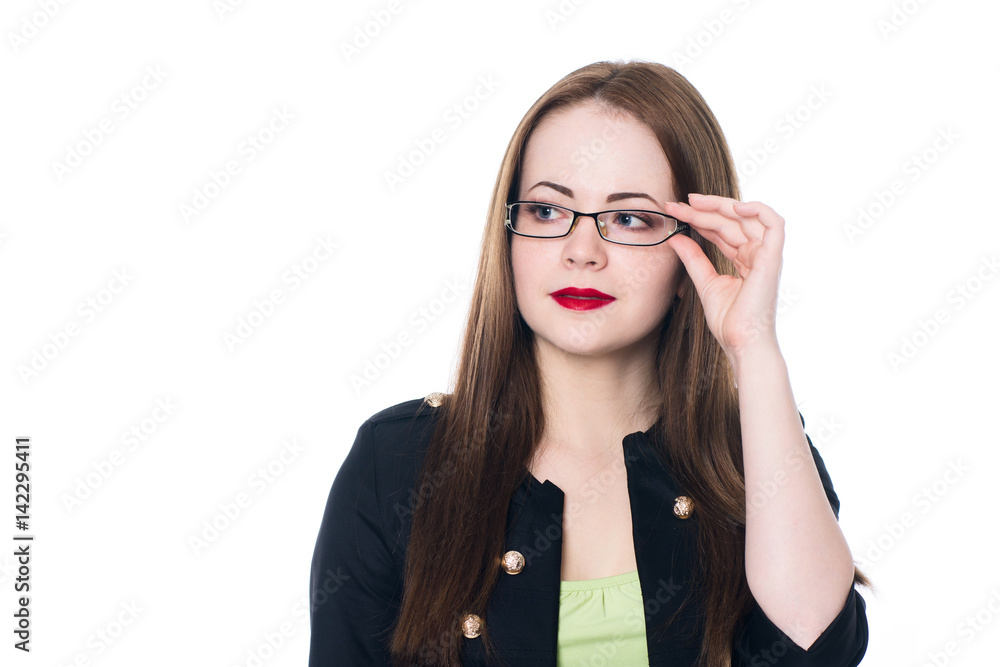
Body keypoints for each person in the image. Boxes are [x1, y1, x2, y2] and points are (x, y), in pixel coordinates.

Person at [309, 60, 870, 666]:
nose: (582, 252)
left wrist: (753, 345)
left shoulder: (753, 457)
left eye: (629, 218)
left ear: (693, 256)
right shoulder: (396, 465)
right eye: (548, 212)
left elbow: (815, 644)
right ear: (509, 235)